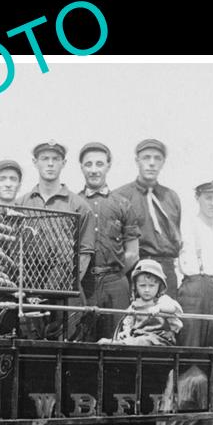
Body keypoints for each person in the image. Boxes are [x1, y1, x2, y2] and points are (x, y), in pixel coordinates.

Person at [18, 141, 95, 338]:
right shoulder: (22, 203)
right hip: (31, 291)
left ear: (63, 163)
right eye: (45, 159)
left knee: (68, 347)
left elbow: (85, 254)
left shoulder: (79, 205)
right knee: (32, 347)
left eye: (55, 159)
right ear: (35, 163)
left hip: (66, 294)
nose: (50, 164)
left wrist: (64, 286)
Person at [77, 142, 142, 341]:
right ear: (81, 167)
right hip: (83, 284)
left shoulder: (123, 204)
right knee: (81, 341)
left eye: (99, 164)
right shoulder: (74, 203)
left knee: (117, 342)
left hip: (115, 284)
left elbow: (133, 253)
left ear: (108, 166)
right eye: (89, 164)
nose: (94, 170)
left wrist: (113, 276)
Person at [113, 138, 182, 296]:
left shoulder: (171, 197)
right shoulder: (121, 196)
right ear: (137, 161)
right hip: (137, 267)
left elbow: (176, 236)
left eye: (157, 158)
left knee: (166, 317)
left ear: (163, 162)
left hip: (166, 270)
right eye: (146, 158)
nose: (152, 163)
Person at [176, 179, 213, 347]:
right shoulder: (187, 226)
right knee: (190, 346)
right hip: (193, 293)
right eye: (208, 198)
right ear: (197, 197)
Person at [102, 259, 184, 346]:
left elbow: (174, 308)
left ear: (160, 286)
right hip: (137, 336)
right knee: (130, 339)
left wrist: (159, 308)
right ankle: (117, 343)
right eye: (142, 286)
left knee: (142, 341)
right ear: (135, 286)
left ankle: (122, 343)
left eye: (152, 286)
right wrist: (126, 332)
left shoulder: (162, 300)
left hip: (159, 338)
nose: (147, 290)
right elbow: (128, 321)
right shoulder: (135, 304)